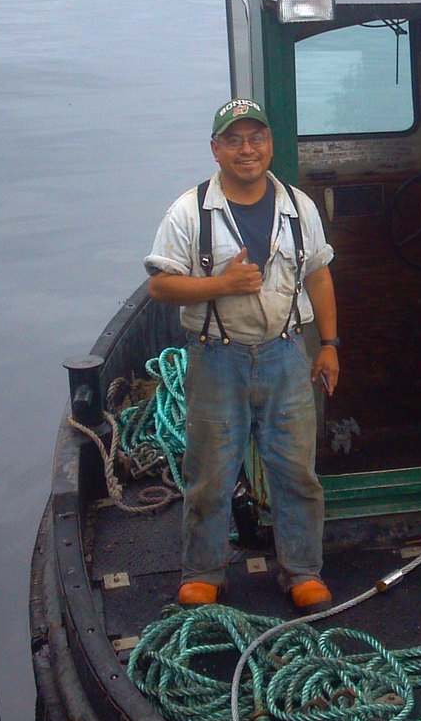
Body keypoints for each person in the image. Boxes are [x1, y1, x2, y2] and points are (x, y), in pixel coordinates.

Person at [145, 99, 339, 609]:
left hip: (287, 355)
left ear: (270, 146)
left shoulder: (299, 207)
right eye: (234, 140)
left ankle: (301, 571)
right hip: (215, 360)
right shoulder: (188, 211)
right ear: (215, 149)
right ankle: (204, 573)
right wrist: (220, 284)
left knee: (296, 471)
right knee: (210, 472)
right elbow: (160, 287)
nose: (246, 150)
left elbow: (318, 274)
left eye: (256, 139)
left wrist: (331, 346)